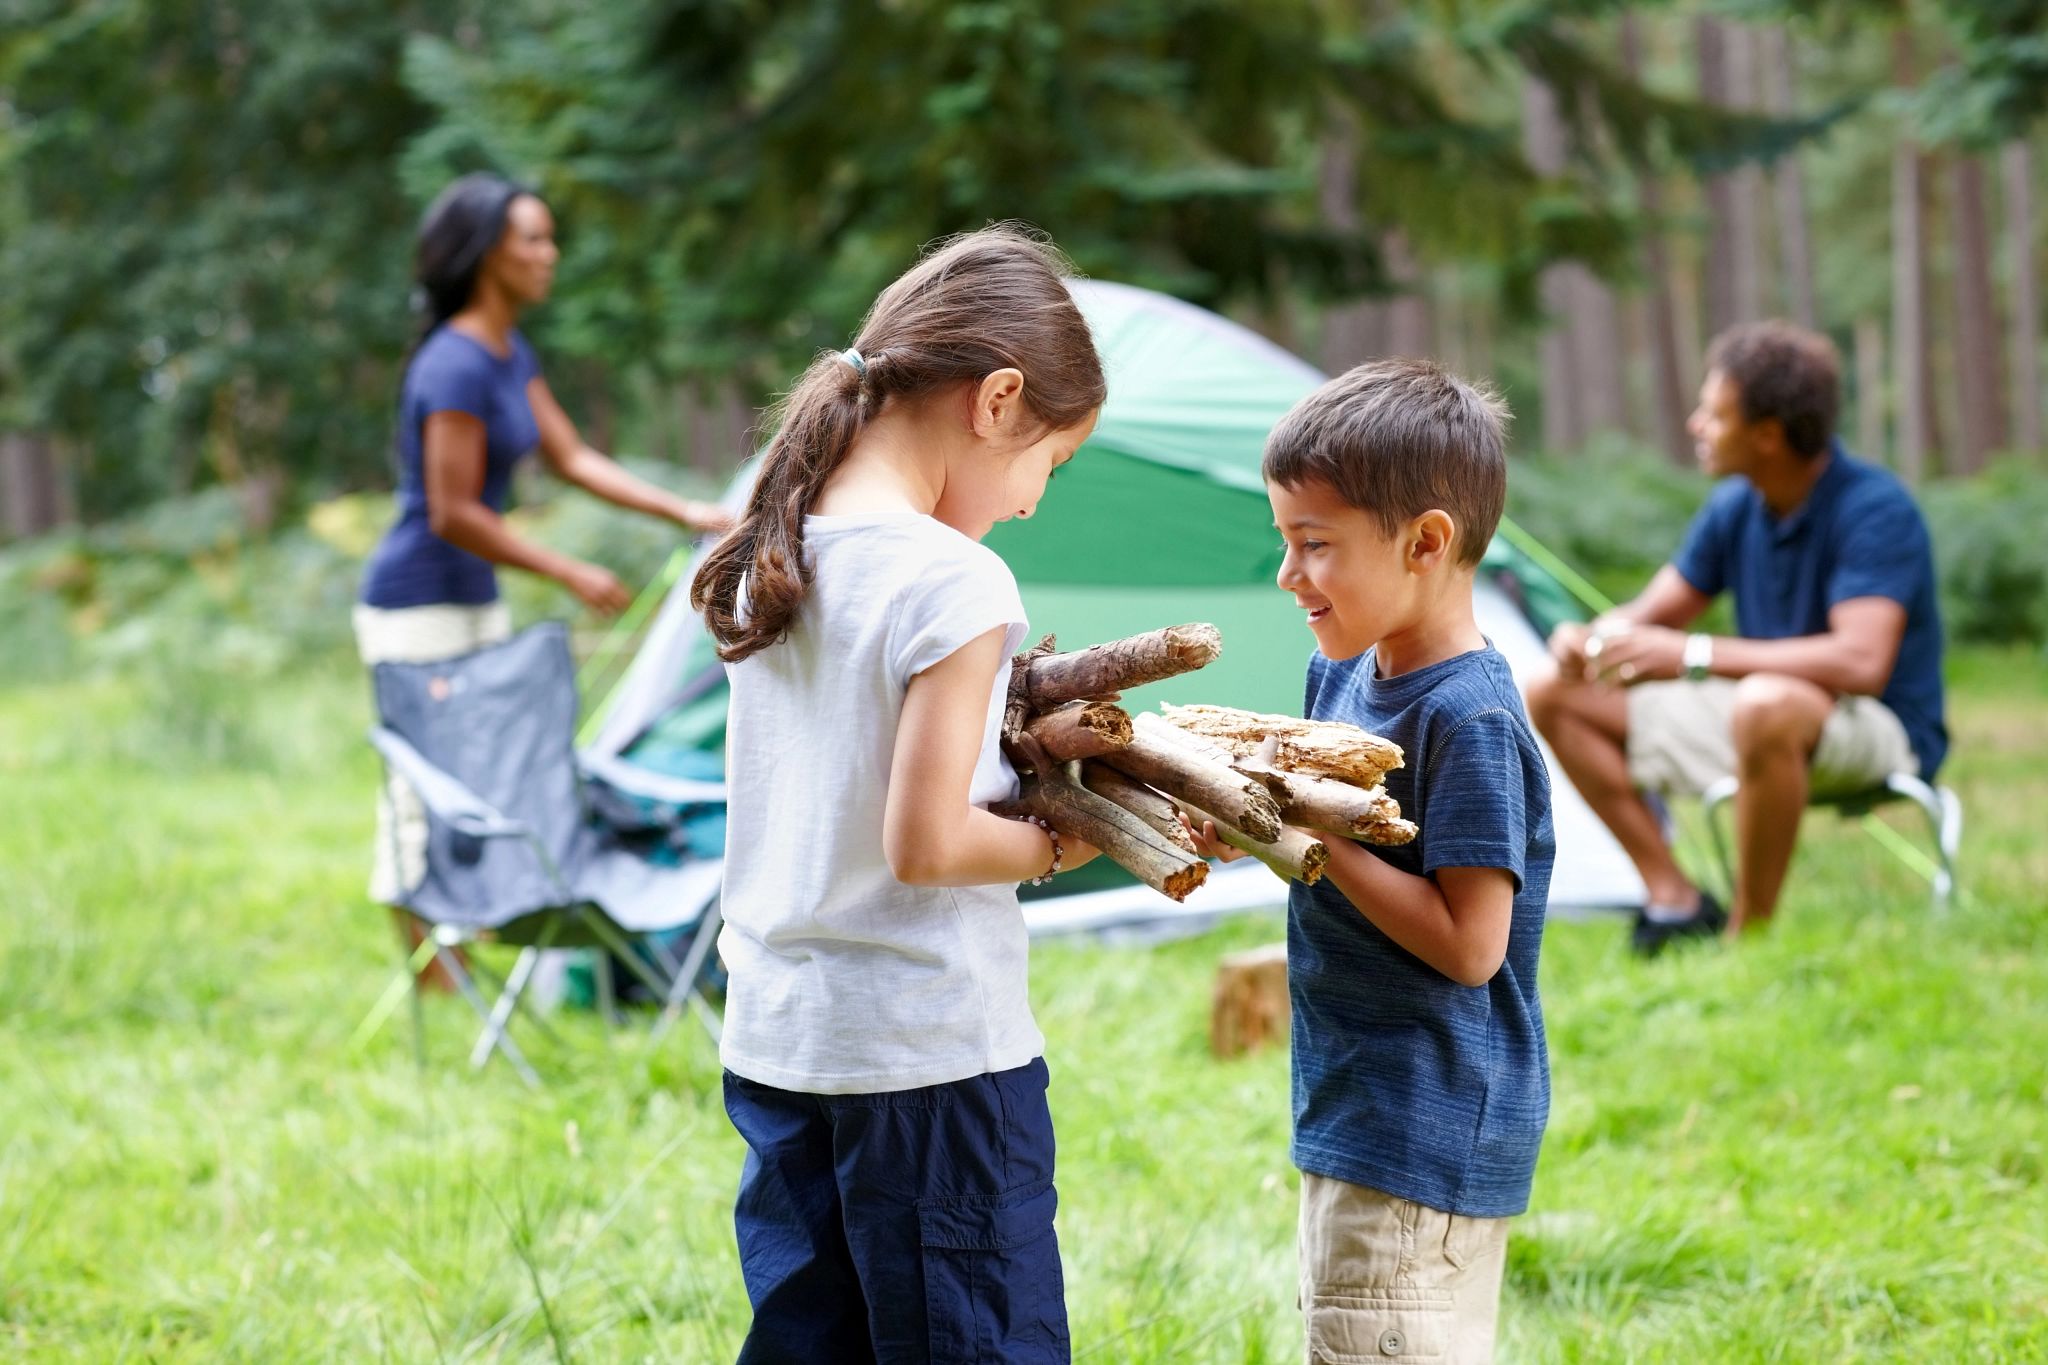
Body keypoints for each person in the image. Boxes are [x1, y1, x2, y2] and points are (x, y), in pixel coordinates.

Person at [690, 225, 1106, 1363]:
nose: (1031, 503)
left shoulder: (777, 541)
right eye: (1050, 463)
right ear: (998, 400)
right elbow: (925, 844)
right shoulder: (952, 578)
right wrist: (1064, 846)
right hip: (929, 1064)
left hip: (782, 1045)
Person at [1187, 360, 1553, 1363]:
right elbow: (1313, 836)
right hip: (1353, 1103)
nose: (1287, 573)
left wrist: (1315, 840)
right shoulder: (1341, 671)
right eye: (1284, 540)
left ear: (1425, 542)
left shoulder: (1468, 720)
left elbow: (1471, 947)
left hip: (1420, 1131)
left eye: (1315, 545)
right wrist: (1247, 826)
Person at [354, 172, 730, 967]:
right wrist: (568, 570)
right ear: (486, 253)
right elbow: (451, 511)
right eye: (533, 238)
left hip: (474, 598)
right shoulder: (453, 364)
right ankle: (432, 976)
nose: (549, 253)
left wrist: (684, 511)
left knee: (480, 773)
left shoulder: (506, 351)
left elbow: (573, 457)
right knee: (424, 782)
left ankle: (460, 955)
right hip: (415, 603)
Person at [1524, 321, 1946, 952]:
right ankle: (1675, 899)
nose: (1695, 425)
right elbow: (1651, 613)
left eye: (1714, 415)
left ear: (1767, 435)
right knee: (1553, 691)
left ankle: (1748, 936)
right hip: (1761, 713)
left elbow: (1862, 662)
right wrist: (1587, 639)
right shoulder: (1736, 506)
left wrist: (1694, 655)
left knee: (1765, 702)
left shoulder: (1875, 509)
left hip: (1879, 729)